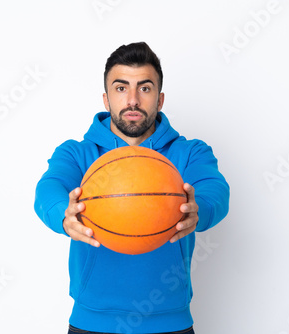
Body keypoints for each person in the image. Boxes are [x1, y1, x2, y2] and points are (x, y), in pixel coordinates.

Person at [34, 42, 230, 334]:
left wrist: (197, 208)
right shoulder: (77, 153)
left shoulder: (190, 152)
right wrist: (64, 214)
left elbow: (215, 190)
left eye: (145, 88)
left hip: (171, 323)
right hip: (90, 323)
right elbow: (49, 187)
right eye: (121, 88)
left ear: (160, 99)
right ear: (106, 98)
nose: (133, 100)